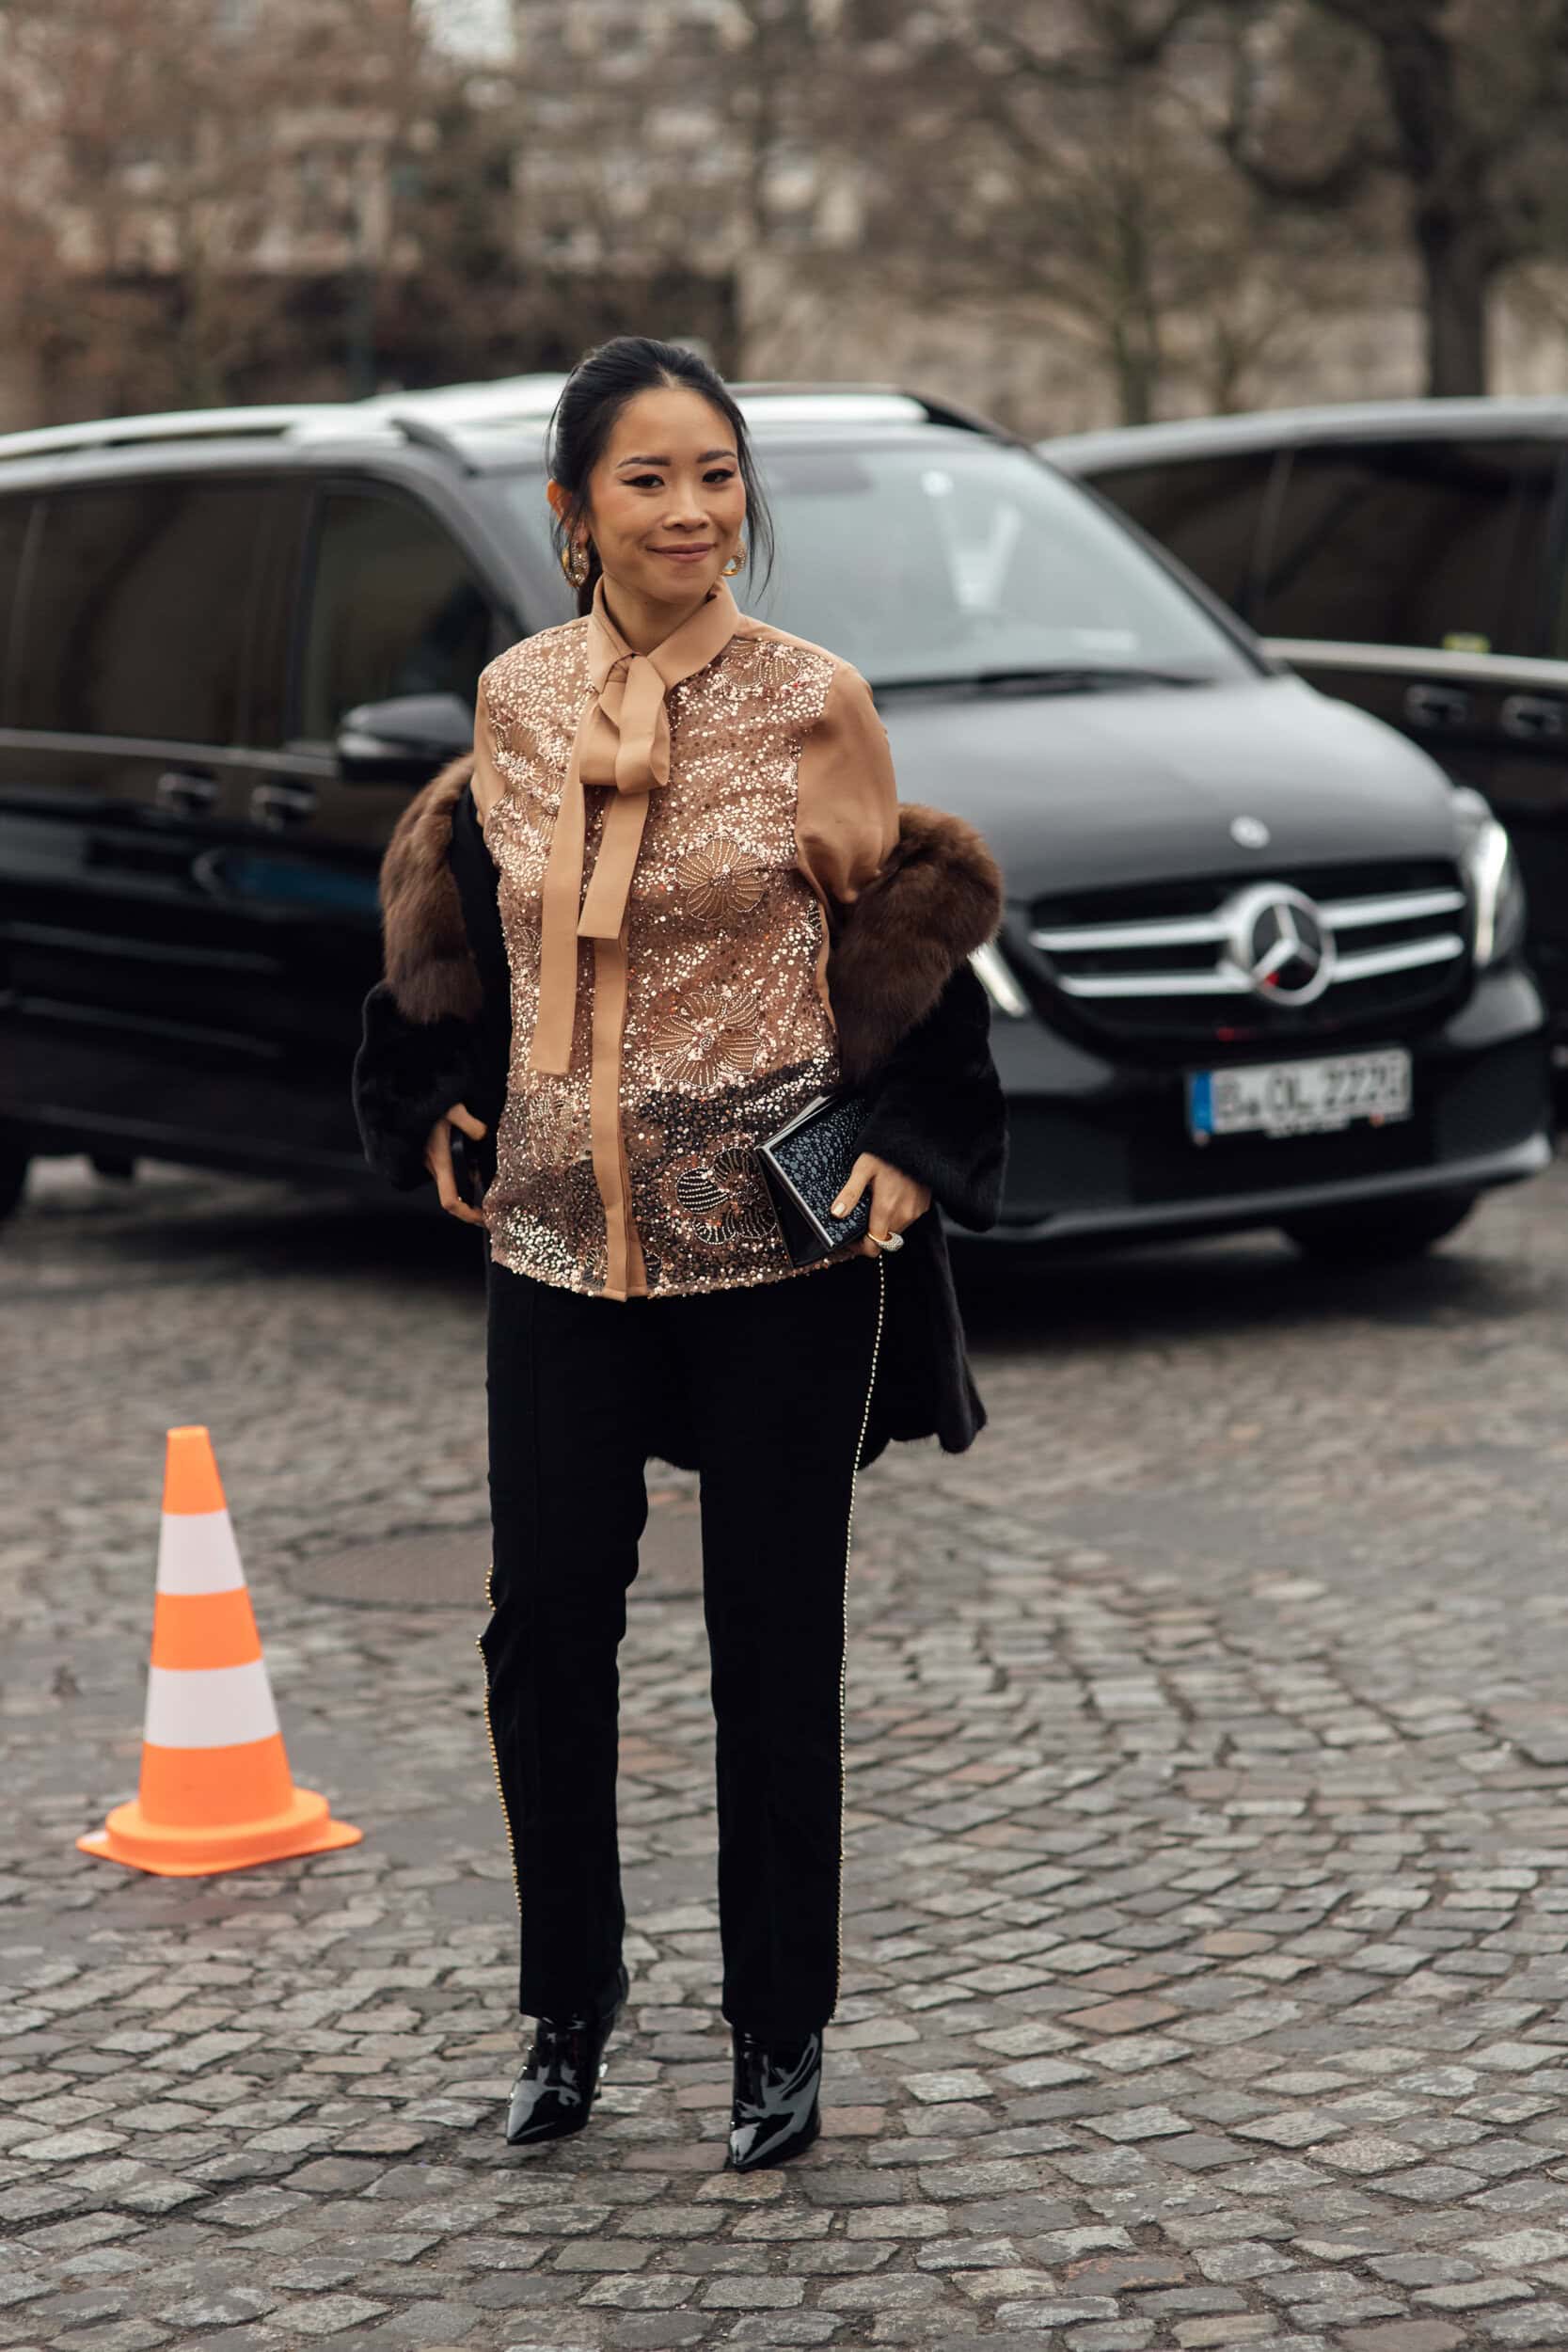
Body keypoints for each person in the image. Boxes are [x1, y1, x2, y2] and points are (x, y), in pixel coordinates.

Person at [352, 334, 1008, 2171]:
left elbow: (902, 942)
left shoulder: (814, 702)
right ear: (576, 510)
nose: (692, 510)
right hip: (559, 1248)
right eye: (649, 479)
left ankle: (778, 2030)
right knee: (543, 1630)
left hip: (778, 1256)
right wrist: (430, 1090)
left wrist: (916, 1144)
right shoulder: (515, 703)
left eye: (716, 474)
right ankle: (569, 2002)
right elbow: (467, 923)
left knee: (771, 1648)